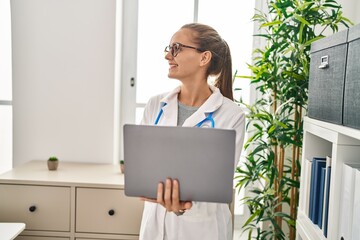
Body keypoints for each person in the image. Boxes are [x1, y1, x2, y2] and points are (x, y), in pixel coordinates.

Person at [139, 23, 245, 240]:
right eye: (168, 48)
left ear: (203, 58)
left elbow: (215, 184)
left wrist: (180, 206)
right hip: (154, 227)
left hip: (202, 230)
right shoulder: (156, 105)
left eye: (176, 48)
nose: (168, 55)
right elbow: (143, 167)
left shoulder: (231, 115)